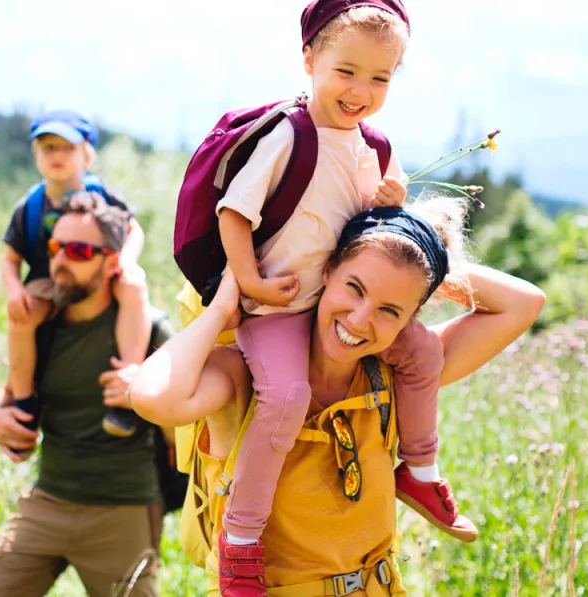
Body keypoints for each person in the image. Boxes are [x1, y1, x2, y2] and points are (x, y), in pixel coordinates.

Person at [130, 201, 546, 595]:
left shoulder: (395, 378)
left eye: (390, 310)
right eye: (355, 287)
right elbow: (152, 398)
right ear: (325, 271)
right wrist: (222, 310)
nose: (360, 319)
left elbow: (523, 303)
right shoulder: (246, 375)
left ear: (408, 319)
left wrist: (419, 260)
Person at [197, 1, 471, 591]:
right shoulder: (286, 136)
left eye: (380, 78)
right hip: (277, 307)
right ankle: (241, 539)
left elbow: (372, 235)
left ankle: (419, 470)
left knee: (422, 353)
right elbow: (234, 213)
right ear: (309, 60)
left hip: (338, 307)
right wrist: (249, 282)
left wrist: (391, 202)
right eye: (346, 71)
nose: (361, 90)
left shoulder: (372, 145)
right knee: (287, 395)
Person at [0, 193, 175, 597]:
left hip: (124, 509)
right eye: (54, 248)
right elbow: (10, 389)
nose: (61, 260)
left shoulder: (149, 329)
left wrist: (144, 393)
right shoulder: (39, 322)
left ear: (112, 261)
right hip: (49, 500)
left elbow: (188, 427)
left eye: (78, 250)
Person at [1, 110, 151, 441]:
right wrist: (14, 291)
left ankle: (126, 386)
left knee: (133, 285)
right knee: (21, 318)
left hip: (100, 272)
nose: (57, 156)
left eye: (67, 148)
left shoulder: (103, 195)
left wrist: (125, 260)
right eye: (47, 147)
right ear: (35, 154)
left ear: (87, 154)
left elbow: (132, 229)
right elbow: (10, 260)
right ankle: (24, 402)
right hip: (47, 280)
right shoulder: (30, 205)